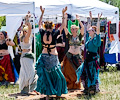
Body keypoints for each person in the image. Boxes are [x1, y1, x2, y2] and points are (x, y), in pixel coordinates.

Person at [35, 6, 68, 99]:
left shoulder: (42, 32)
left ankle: (48, 95)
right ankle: (57, 93)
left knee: (47, 76)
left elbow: (39, 24)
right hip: (53, 56)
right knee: (57, 75)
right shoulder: (55, 33)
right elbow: (63, 26)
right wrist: (63, 14)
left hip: (44, 56)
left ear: (45, 26)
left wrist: (42, 13)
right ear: (52, 26)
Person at [76, 11, 102, 94]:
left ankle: (93, 89)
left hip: (93, 60)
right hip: (87, 59)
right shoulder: (88, 39)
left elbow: (97, 29)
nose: (88, 31)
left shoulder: (96, 39)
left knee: (92, 74)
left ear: (94, 32)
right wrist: (90, 18)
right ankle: (87, 88)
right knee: (84, 73)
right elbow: (88, 27)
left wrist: (98, 19)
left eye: (90, 30)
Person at [62, 13, 84, 90]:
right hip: (69, 55)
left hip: (77, 56)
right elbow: (64, 27)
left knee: (77, 71)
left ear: (76, 29)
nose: (72, 30)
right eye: (71, 29)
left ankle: (76, 85)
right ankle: (69, 86)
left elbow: (83, 28)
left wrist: (79, 20)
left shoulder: (80, 36)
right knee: (67, 71)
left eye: (74, 29)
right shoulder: (69, 36)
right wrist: (65, 18)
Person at [19, 14, 38, 94]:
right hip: (26, 57)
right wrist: (27, 20)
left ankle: (25, 89)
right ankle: (30, 89)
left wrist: (27, 19)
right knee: (31, 73)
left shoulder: (25, 38)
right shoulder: (25, 38)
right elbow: (30, 29)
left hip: (26, 57)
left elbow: (30, 29)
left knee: (26, 73)